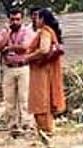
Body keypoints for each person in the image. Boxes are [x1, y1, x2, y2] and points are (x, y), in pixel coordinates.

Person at [25, 8, 65, 140]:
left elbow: (43, 49)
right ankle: (45, 131)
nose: (35, 21)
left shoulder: (45, 31)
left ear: (42, 19)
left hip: (41, 71)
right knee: (43, 100)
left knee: (41, 101)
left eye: (37, 18)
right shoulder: (50, 31)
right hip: (44, 70)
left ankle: (46, 132)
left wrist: (28, 57)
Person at [0, 8, 34, 137]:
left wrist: (10, 47)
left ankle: (26, 125)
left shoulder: (27, 31)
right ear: (9, 19)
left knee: (24, 98)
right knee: (9, 98)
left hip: (23, 67)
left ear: (22, 19)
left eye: (17, 19)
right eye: (12, 19)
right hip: (8, 68)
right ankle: (13, 126)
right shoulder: (5, 31)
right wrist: (7, 34)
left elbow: (25, 47)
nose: (15, 22)